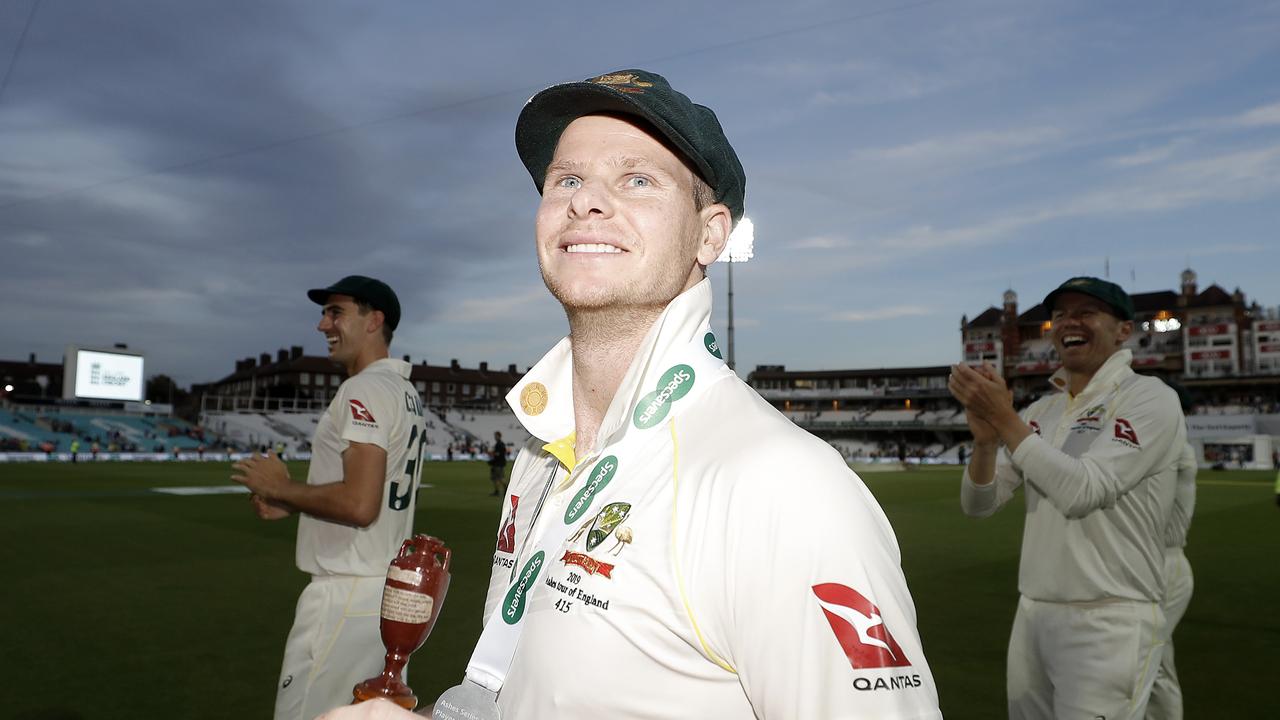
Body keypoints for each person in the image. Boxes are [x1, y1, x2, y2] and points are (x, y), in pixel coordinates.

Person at [323, 69, 939, 720]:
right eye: (568, 179)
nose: (585, 202)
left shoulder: (783, 487)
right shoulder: (540, 454)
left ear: (711, 235)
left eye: (637, 179)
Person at [949, 276, 1186, 720]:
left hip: (1110, 616)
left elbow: (1083, 491)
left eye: (1085, 312)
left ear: (1122, 330)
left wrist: (1004, 418)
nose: (1068, 322)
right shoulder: (1042, 412)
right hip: (1034, 611)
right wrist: (984, 443)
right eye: (1060, 315)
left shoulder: (1149, 398)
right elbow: (978, 505)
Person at [232, 275, 426, 720]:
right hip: (382, 593)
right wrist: (294, 501)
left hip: (347, 595)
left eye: (335, 312)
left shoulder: (365, 389)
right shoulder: (403, 390)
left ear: (374, 320)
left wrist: (279, 486)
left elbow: (360, 505)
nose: (323, 325)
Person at [1147, 382, 1196, 720]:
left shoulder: (1174, 447)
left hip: (1165, 565)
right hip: (1149, 564)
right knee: (1154, 660)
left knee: (1151, 660)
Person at [487, 430, 507, 497]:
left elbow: (498, 454)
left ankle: (505, 490)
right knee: (496, 478)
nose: (495, 437)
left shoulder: (499, 444)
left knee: (500, 478)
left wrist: (491, 453)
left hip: (498, 463)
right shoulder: (500, 444)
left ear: (499, 436)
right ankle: (497, 491)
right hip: (498, 463)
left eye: (495, 436)